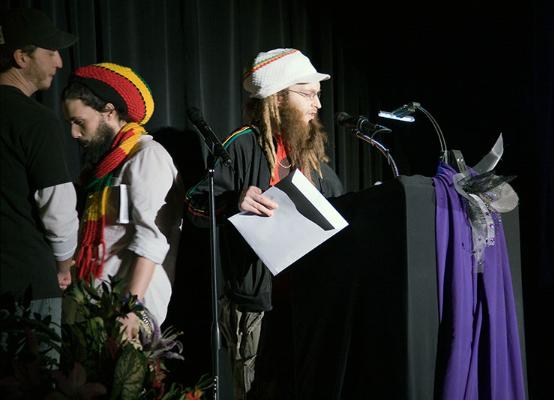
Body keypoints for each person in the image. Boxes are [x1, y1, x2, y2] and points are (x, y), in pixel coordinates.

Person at [186, 48, 344, 399]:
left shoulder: (308, 148)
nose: (317, 104)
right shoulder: (241, 145)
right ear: (279, 98)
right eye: (308, 94)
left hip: (307, 299)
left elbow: (339, 202)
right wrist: (234, 201)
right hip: (257, 304)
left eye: (318, 95)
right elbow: (195, 206)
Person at [62, 63, 184, 339]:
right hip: (95, 306)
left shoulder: (146, 157)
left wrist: (131, 309)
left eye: (79, 122)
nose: (74, 133)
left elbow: (151, 240)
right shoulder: (105, 167)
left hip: (125, 313)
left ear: (109, 111)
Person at [0, 8, 79, 364]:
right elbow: (57, 209)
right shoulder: (37, 122)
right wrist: (63, 266)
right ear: (21, 57)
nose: (59, 62)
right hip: (27, 289)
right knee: (33, 382)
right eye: (51, 52)